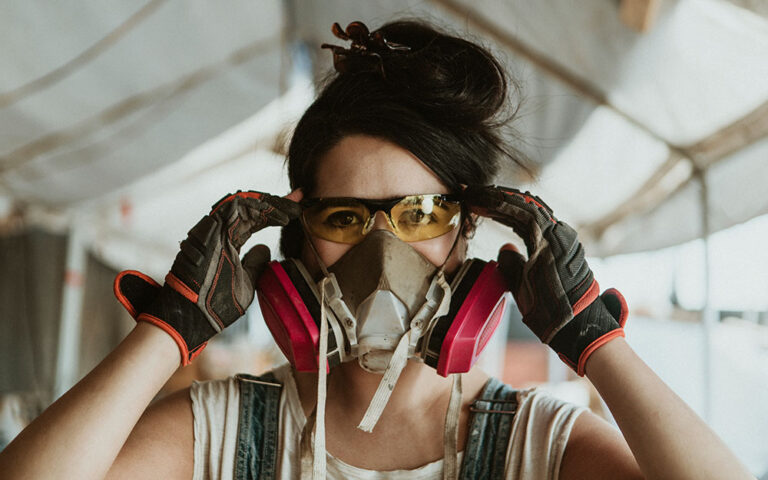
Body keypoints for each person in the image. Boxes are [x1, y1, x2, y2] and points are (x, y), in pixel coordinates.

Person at [0, 19, 753, 480]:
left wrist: (595, 341)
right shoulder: (227, 432)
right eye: (347, 218)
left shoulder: (536, 446)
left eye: (421, 213)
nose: (384, 249)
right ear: (296, 233)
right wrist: (168, 330)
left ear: (466, 236)